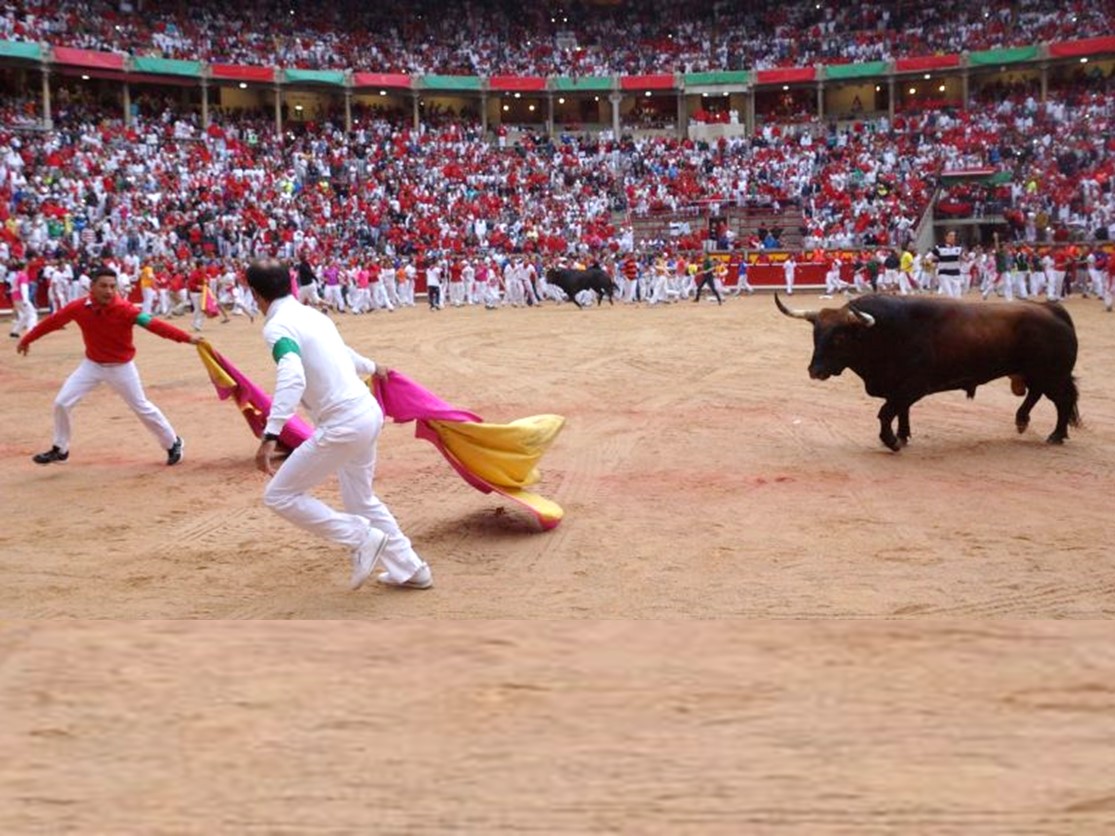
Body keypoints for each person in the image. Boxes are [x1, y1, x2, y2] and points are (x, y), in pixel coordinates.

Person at [245, 258, 432, 592]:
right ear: (289, 284)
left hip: (343, 424)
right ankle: (410, 569)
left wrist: (271, 433)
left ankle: (361, 537)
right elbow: (342, 353)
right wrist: (373, 366)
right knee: (361, 500)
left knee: (280, 495)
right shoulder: (311, 314)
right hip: (366, 413)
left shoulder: (277, 327)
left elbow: (292, 374)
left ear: (257, 296)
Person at [15, 265, 201, 465]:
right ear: (92, 287)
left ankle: (173, 443)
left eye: (113, 286)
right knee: (62, 403)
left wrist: (186, 338)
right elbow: (51, 322)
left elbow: (156, 326)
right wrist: (27, 339)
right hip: (92, 365)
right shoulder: (78, 307)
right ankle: (60, 449)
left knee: (142, 407)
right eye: (103, 286)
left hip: (121, 367)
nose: (109, 291)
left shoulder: (127, 310)